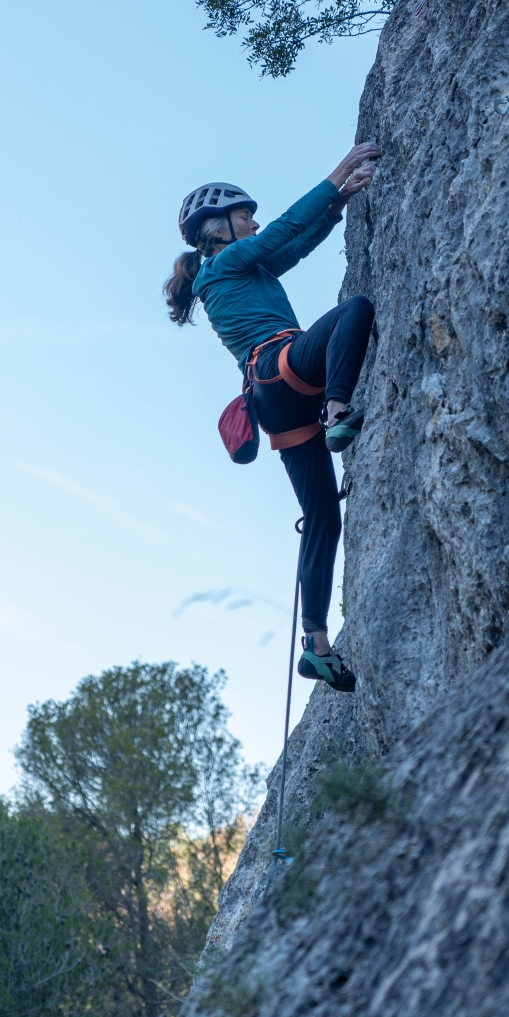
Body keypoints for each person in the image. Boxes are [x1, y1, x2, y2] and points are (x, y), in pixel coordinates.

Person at [164, 144, 380, 692]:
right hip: (281, 369)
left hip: (276, 404)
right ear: (218, 229)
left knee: (322, 518)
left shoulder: (237, 269)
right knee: (355, 309)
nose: (253, 222)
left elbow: (295, 245)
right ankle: (338, 409)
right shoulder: (223, 265)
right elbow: (282, 230)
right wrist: (338, 175)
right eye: (244, 217)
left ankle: (316, 644)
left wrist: (338, 206)